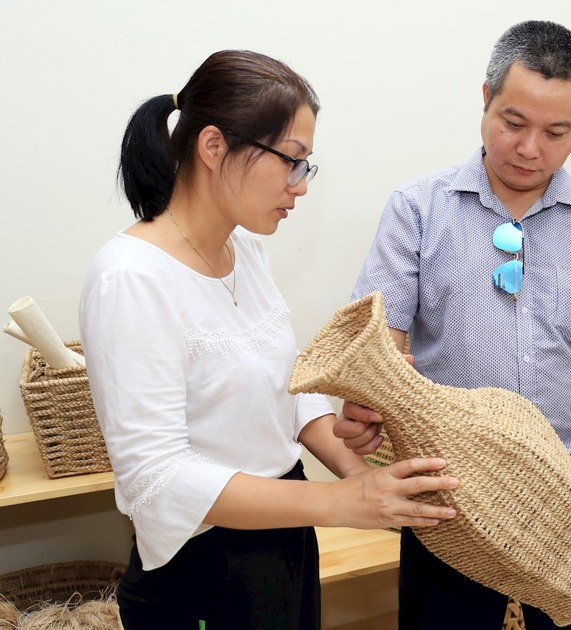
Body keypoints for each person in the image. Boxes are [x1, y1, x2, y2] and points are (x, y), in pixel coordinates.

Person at [80, 50, 459, 630]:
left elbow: (289, 385)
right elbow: (156, 478)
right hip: (201, 566)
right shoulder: (130, 277)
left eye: (306, 166)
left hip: (284, 538)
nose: (299, 186)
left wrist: (351, 468)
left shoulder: (243, 250)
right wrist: (343, 503)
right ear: (212, 148)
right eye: (292, 162)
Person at [341, 20, 571, 630]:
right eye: (513, 124)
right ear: (485, 95)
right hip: (450, 484)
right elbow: (378, 339)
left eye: (556, 132)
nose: (530, 149)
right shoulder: (418, 209)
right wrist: (369, 401)